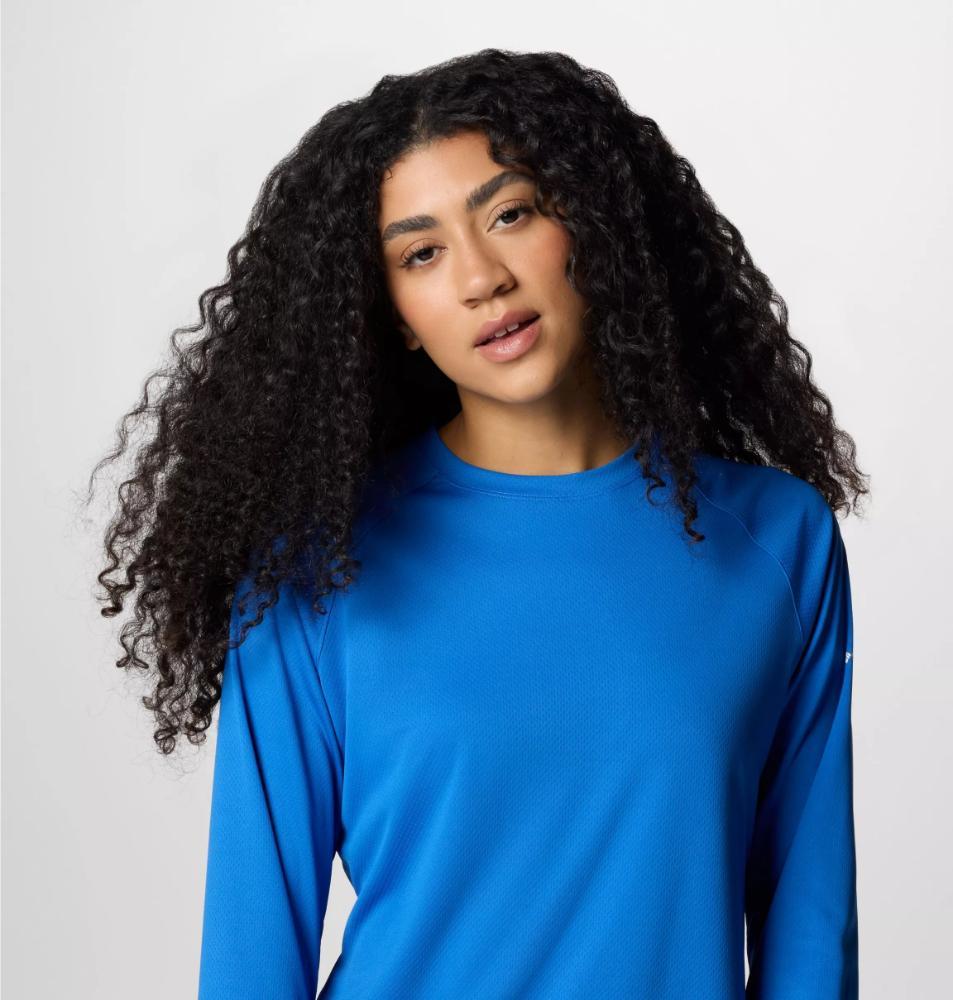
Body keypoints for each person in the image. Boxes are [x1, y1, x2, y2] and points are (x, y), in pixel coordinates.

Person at [87, 48, 869, 1000]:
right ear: (394, 315)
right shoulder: (317, 569)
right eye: (420, 253)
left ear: (587, 225)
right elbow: (252, 953)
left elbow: (809, 927)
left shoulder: (775, 541)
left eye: (511, 214)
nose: (481, 278)